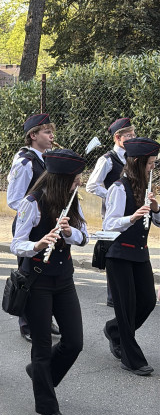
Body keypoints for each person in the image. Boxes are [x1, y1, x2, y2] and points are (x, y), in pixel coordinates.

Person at [11, 149, 88, 415]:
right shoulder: (32, 203)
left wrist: (69, 233)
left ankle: (40, 376)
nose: (79, 182)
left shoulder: (71, 199)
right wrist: (38, 245)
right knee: (42, 347)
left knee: (74, 342)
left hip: (64, 278)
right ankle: (48, 407)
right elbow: (16, 244)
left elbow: (85, 236)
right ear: (61, 179)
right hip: (38, 280)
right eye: (75, 178)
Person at [102, 137, 160, 376]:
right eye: (150, 163)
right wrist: (132, 217)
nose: (152, 168)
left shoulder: (146, 187)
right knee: (126, 307)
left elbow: (157, 221)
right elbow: (109, 224)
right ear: (137, 162)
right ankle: (131, 358)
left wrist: (155, 209)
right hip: (119, 254)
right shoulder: (119, 187)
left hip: (140, 252)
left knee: (147, 301)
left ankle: (114, 330)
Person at [6, 112, 59, 342]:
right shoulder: (25, 162)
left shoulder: (47, 159)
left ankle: (45, 318)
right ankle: (27, 323)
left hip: (47, 224)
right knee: (28, 277)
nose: (51, 136)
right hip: (29, 225)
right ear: (33, 135)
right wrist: (34, 212)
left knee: (47, 275)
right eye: (47, 132)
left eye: (51, 131)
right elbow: (14, 200)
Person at [86, 117, 136, 307]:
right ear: (117, 137)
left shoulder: (132, 157)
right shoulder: (107, 159)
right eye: (128, 135)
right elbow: (92, 185)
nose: (132, 138)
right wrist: (113, 196)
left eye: (133, 135)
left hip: (131, 211)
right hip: (112, 213)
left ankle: (129, 291)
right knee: (114, 252)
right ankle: (113, 295)